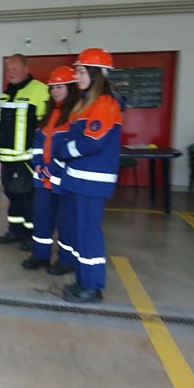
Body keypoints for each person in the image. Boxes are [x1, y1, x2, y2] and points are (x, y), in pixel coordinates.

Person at [52, 48, 124, 303]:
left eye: (81, 71)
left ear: (96, 74)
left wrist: (63, 151)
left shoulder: (106, 103)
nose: (77, 75)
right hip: (79, 178)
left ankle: (92, 287)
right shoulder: (88, 103)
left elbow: (92, 142)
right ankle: (83, 280)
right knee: (80, 232)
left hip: (91, 182)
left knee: (89, 234)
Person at [22, 66, 80, 276]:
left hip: (63, 180)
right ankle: (40, 255)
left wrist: (51, 169)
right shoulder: (49, 114)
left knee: (65, 221)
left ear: (71, 88)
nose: (55, 91)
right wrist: (39, 165)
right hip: (44, 179)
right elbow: (38, 144)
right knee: (42, 217)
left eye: (60, 87)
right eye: (53, 87)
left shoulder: (75, 115)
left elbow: (73, 149)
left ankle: (66, 260)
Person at [0, 54, 49, 249]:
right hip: (8, 157)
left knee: (28, 196)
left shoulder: (40, 90)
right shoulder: (7, 93)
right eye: (8, 69)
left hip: (27, 157)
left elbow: (47, 125)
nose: (10, 73)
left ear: (26, 68)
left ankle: (33, 236)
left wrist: (40, 153)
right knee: (13, 194)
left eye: (15, 69)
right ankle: (15, 231)